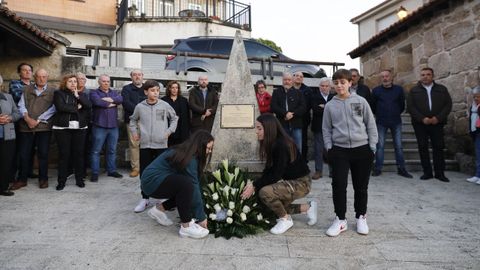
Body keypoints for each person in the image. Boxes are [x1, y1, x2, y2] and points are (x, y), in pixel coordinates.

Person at [241, 113, 317, 235]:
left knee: (265, 193)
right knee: (270, 206)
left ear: (269, 128)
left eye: (259, 128)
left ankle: (285, 219)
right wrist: (254, 184)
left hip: (301, 183)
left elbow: (276, 174)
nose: (256, 132)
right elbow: (269, 170)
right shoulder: (273, 143)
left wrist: (255, 185)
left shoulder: (281, 144)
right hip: (291, 181)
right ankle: (307, 208)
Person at [323, 69, 378, 237]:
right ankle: (340, 219)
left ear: (350, 83)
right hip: (339, 150)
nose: (339, 85)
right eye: (336, 82)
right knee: (338, 185)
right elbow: (326, 128)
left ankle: (361, 216)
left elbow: (370, 124)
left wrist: (372, 145)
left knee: (361, 186)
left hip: (362, 149)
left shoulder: (361, 101)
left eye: (343, 82)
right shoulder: (330, 105)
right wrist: (329, 147)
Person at [141, 130, 213, 239]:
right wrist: (201, 217)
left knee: (186, 189)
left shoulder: (189, 153)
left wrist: (199, 212)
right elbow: (193, 185)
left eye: (211, 148)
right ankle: (186, 226)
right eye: (208, 148)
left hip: (156, 180)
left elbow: (195, 187)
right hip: (151, 181)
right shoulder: (190, 158)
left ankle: (159, 210)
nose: (209, 151)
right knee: (186, 185)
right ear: (200, 146)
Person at [130, 80, 179, 213]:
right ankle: (145, 198)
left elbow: (175, 118)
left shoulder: (165, 105)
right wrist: (134, 132)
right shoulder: (140, 107)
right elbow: (133, 120)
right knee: (145, 172)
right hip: (145, 144)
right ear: (146, 92)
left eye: (157, 90)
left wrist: (169, 131)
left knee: (162, 172)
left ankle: (161, 197)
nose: (155, 93)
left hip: (161, 145)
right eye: (152, 90)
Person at [11, 69, 56, 190]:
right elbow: (21, 105)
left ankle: (43, 179)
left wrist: (38, 120)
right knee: (24, 154)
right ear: (35, 77)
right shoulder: (26, 89)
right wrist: (27, 118)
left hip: (43, 127)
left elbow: (53, 109)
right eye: (39, 77)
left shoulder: (53, 91)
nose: (41, 79)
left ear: (47, 77)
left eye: (44, 77)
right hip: (26, 126)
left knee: (43, 154)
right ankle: (22, 179)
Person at [407, 67, 452, 182]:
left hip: (437, 123)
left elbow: (448, 105)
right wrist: (422, 118)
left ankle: (439, 173)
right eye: (423, 75)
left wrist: (438, 118)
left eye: (428, 74)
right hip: (420, 124)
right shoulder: (414, 90)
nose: (425, 76)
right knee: (423, 147)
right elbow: (411, 107)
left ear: (433, 76)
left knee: (438, 147)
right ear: (420, 76)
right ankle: (427, 172)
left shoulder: (442, 89)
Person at [52, 74, 92, 190]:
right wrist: (78, 108)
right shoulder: (58, 93)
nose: (73, 83)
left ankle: (79, 180)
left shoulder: (82, 95)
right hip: (62, 129)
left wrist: (77, 96)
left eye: (75, 81)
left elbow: (88, 106)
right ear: (65, 82)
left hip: (79, 128)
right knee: (64, 155)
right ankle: (61, 181)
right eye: (70, 81)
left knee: (79, 155)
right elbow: (61, 107)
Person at [371, 69, 412, 178]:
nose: (385, 78)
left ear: (391, 77)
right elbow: (373, 106)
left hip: (396, 121)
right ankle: (378, 168)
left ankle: (401, 169)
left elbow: (402, 105)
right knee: (380, 146)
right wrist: (380, 114)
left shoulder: (399, 90)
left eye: (387, 76)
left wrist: (394, 113)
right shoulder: (376, 91)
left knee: (398, 146)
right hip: (381, 122)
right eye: (383, 76)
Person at [89, 74, 123, 182]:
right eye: (104, 81)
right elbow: (97, 101)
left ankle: (111, 170)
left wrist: (108, 100)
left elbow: (120, 99)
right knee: (96, 151)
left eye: (108, 81)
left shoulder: (114, 92)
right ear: (99, 82)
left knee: (112, 150)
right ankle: (95, 173)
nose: (106, 83)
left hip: (113, 126)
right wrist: (113, 102)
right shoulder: (94, 92)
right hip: (99, 125)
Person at [270, 72, 306, 152]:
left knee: (297, 148)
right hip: (282, 125)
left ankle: (297, 164)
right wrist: (285, 113)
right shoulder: (276, 92)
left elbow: (303, 107)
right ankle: (284, 164)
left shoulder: (298, 93)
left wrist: (292, 114)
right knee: (283, 148)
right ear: (282, 81)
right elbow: (273, 107)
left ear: (292, 81)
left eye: (289, 80)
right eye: (285, 80)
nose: (287, 81)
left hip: (296, 126)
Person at [121, 69, 146, 178]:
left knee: (146, 145)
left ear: (142, 76)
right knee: (134, 145)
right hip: (132, 121)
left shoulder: (147, 88)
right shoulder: (126, 89)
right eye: (134, 75)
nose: (137, 77)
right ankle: (136, 168)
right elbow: (126, 103)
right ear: (131, 77)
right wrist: (140, 111)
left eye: (139, 75)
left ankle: (145, 167)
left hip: (147, 121)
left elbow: (152, 101)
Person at [0, 75, 22, 196]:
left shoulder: (8, 97)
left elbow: (17, 113)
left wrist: (9, 118)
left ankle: (3, 187)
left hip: (7, 135)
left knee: (6, 162)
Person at [310, 77, 334, 179]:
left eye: (326, 86)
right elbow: (315, 110)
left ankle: (333, 171)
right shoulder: (314, 96)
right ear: (319, 87)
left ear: (330, 87)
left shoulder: (334, 97)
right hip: (318, 127)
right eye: (322, 86)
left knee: (331, 150)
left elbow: (335, 111)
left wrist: (324, 107)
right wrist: (327, 108)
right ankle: (318, 171)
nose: (324, 88)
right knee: (318, 150)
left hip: (332, 127)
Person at [162, 81, 190, 146]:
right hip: (168, 128)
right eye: (173, 88)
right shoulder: (163, 100)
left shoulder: (184, 100)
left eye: (176, 88)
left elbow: (187, 116)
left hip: (181, 129)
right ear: (169, 89)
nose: (175, 90)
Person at [293, 72, 313, 160]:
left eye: (301, 76)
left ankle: (303, 161)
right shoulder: (289, 89)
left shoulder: (307, 90)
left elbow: (308, 105)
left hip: (303, 119)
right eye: (297, 76)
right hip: (290, 119)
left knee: (303, 141)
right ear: (293, 77)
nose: (299, 78)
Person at [467, 87, 480, 184]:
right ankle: (477, 175)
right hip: (475, 132)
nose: (476, 99)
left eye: (478, 97)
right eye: (474, 97)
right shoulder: (473, 106)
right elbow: (471, 119)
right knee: (478, 155)